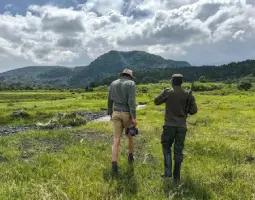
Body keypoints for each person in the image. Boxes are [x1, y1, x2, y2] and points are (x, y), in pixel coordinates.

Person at [154, 74, 198, 182]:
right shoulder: (188, 94)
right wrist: (186, 107)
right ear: (181, 82)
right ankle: (176, 177)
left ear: (172, 82)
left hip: (169, 126)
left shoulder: (168, 92)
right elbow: (194, 110)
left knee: (166, 148)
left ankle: (167, 172)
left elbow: (156, 101)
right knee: (178, 151)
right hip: (181, 127)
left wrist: (165, 94)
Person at [107, 68, 137, 174]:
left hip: (116, 113)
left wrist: (110, 114)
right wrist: (133, 117)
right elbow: (131, 102)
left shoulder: (113, 83)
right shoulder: (131, 84)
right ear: (129, 76)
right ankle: (130, 156)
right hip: (127, 114)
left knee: (116, 140)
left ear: (122, 75)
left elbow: (109, 100)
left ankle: (114, 166)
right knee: (129, 136)